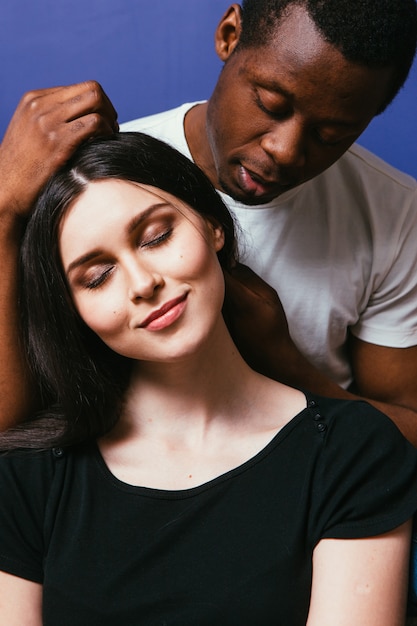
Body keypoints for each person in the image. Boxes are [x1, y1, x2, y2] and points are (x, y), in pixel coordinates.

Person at [0, 131, 417, 625]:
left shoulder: (354, 451)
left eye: (156, 237)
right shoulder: (27, 479)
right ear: (74, 311)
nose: (143, 283)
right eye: (97, 276)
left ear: (213, 226)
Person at [1, 0, 417, 442]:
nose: (286, 151)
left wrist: (283, 363)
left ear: (216, 232)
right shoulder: (92, 184)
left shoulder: (394, 212)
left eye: (330, 135)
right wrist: (4, 208)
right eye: (270, 104)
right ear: (229, 34)